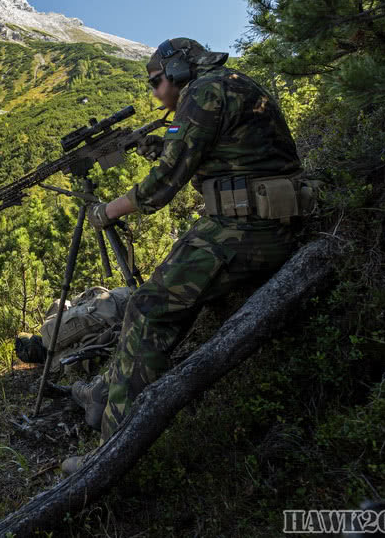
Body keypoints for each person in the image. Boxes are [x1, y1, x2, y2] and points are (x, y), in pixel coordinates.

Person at [62, 38, 304, 474]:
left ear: (176, 69)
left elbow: (162, 185)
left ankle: (108, 455)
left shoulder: (203, 92)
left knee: (149, 306)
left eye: (156, 81)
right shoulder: (221, 85)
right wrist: (165, 147)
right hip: (252, 219)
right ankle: (103, 395)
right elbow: (200, 148)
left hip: (251, 228)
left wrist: (105, 210)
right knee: (152, 295)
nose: (155, 93)